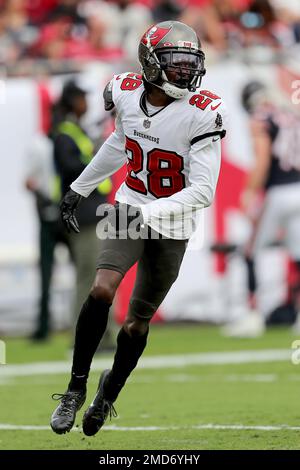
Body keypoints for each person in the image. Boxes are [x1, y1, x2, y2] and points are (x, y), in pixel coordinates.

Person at [50, 20, 227, 436]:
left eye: (189, 64)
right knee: (101, 289)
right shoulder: (126, 91)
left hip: (175, 221)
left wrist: (150, 215)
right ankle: (75, 389)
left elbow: (202, 192)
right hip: (129, 203)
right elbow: (120, 142)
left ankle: (107, 393)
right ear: (151, 64)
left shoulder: (204, 111)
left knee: (136, 323)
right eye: (175, 64)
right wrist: (80, 187)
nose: (185, 72)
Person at [223, 80, 300, 337]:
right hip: (298, 188)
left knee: (249, 251)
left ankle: (252, 315)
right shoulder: (289, 114)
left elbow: (263, 159)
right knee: (298, 255)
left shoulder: (260, 118)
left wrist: (249, 191)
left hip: (277, 192)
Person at [52, 80, 115, 350]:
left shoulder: (75, 131)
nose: (86, 103)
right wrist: (94, 156)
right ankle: (83, 339)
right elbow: (70, 167)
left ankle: (104, 336)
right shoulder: (65, 134)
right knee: (89, 277)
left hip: (95, 213)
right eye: (82, 98)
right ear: (72, 101)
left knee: (102, 277)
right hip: (84, 215)